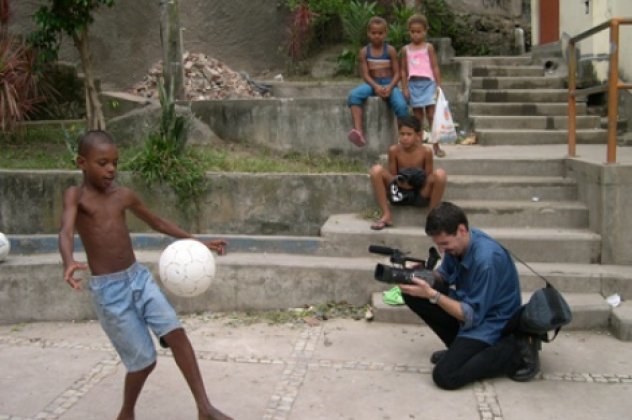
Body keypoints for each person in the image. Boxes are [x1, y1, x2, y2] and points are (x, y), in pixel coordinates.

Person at [58, 130, 232, 420]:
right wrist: (68, 260)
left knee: (176, 334)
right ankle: (126, 413)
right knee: (143, 363)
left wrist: (196, 241)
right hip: (109, 292)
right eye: (103, 162)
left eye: (115, 162)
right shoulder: (76, 196)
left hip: (138, 279)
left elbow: (158, 222)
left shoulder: (123, 196)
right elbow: (65, 230)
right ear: (82, 163)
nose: (111, 168)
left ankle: (204, 408)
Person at [399, 202, 541, 390]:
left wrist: (432, 294)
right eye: (438, 245)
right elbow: (444, 276)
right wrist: (422, 275)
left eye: (445, 244)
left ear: (461, 230)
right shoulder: (458, 244)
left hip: (492, 324)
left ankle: (515, 352)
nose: (442, 251)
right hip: (470, 309)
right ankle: (463, 351)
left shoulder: (487, 260)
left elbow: (470, 316)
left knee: (445, 376)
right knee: (412, 293)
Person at [369, 115, 447, 230]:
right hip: (400, 193)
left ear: (418, 135)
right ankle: (386, 214)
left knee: (440, 174)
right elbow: (393, 177)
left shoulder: (426, 152)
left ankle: (431, 217)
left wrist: (415, 182)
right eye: (402, 134)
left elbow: (428, 177)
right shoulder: (394, 151)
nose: (405, 138)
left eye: (409, 134)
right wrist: (401, 183)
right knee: (376, 170)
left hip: (419, 194)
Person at [347, 16, 409, 147]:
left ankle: (403, 138)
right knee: (354, 95)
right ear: (368, 33)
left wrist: (390, 87)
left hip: (389, 84)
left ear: (385, 33)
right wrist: (375, 86)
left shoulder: (390, 50)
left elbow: (397, 73)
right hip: (372, 83)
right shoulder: (364, 52)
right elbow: (365, 74)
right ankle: (358, 131)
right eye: (373, 33)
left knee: (402, 106)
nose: (377, 36)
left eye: (380, 33)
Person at [400, 14, 446, 158]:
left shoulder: (428, 48)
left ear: (425, 31)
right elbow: (403, 70)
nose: (416, 34)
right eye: (412, 31)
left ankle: (436, 145)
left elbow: (435, 67)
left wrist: (438, 86)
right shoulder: (405, 50)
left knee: (432, 115)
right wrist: (405, 87)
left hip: (429, 84)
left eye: (419, 31)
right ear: (409, 32)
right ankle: (418, 146)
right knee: (418, 118)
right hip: (414, 85)